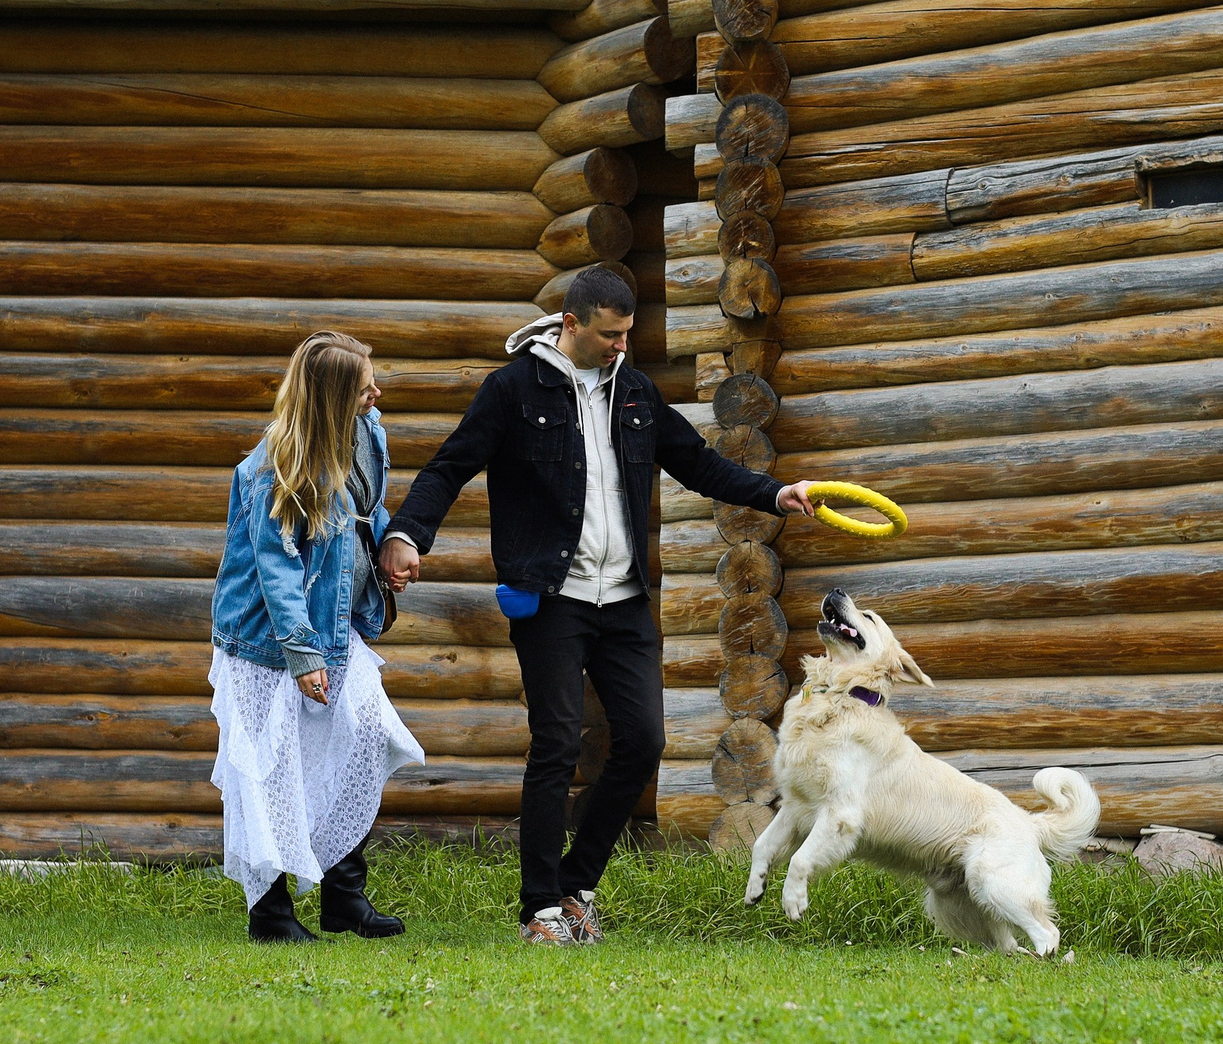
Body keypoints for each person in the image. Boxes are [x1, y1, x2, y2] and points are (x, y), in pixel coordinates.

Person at [379, 266, 813, 945]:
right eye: (610, 335)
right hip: (552, 598)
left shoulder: (634, 393)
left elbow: (698, 463)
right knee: (556, 743)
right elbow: (449, 467)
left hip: (624, 600)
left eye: (627, 334)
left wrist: (773, 493)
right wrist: (408, 535)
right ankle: (539, 911)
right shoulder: (512, 389)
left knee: (643, 741)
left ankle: (575, 887)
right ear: (571, 324)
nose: (621, 346)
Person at [210, 330, 424, 944]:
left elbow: (366, 510)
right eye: (364, 390)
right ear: (331, 400)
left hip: (333, 624)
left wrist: (388, 548)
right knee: (270, 770)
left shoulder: (365, 435)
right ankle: (270, 913)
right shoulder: (273, 468)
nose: (376, 397)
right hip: (265, 640)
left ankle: (343, 897)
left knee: (365, 732)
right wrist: (302, 656)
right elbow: (276, 569)